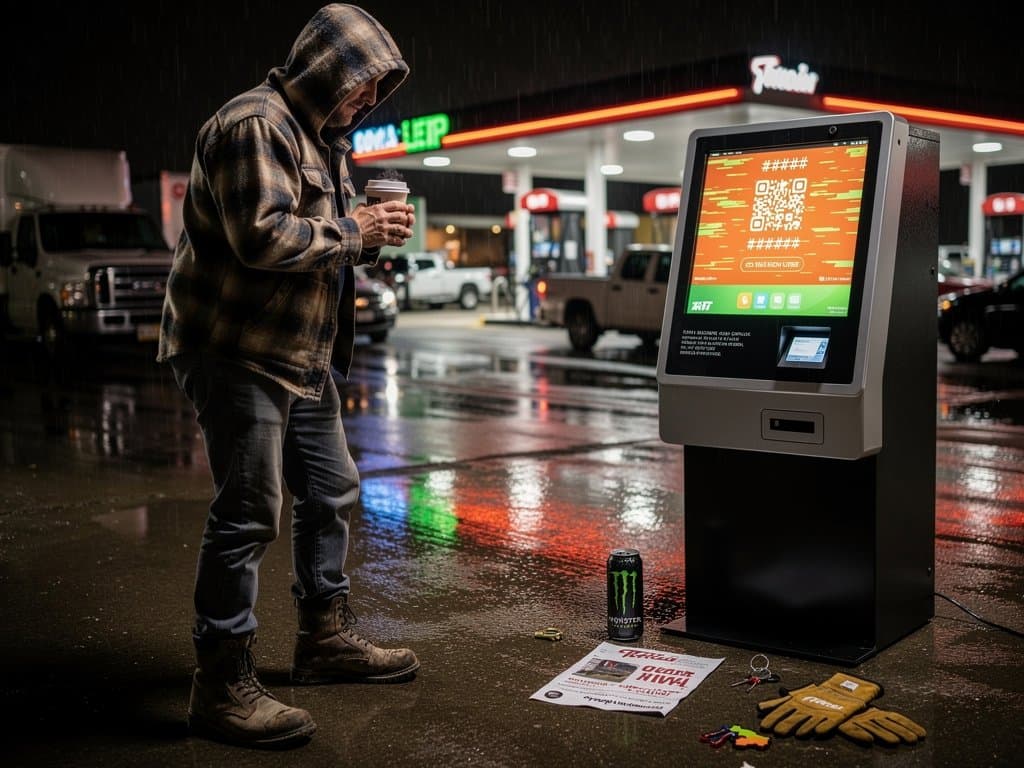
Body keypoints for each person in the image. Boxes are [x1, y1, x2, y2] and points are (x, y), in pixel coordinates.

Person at [157, 4, 418, 748]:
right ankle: (221, 683)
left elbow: (319, 248)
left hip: (300, 355)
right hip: (236, 347)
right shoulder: (255, 124)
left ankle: (323, 639)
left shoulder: (323, 140)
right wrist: (354, 231)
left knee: (332, 489)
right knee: (247, 513)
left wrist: (366, 241)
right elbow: (261, 237)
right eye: (362, 84)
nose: (367, 100)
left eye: (379, 90)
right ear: (325, 66)